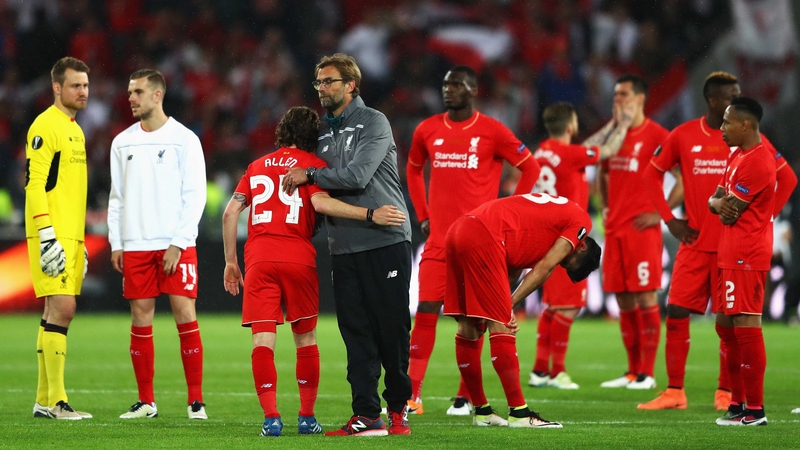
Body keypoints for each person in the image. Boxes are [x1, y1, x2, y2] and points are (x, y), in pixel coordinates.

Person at [221, 106, 407, 437]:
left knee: (263, 339)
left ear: (281, 132)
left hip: (259, 257)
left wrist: (231, 262)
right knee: (305, 338)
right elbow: (321, 205)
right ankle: (307, 417)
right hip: (298, 257)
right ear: (313, 138)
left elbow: (230, 212)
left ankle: (271, 418)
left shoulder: (257, 165)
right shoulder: (313, 167)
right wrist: (368, 214)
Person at [638, 72, 797, 411]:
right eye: (732, 95)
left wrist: (765, 216)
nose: (737, 100)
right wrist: (670, 219)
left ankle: (728, 393)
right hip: (696, 242)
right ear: (714, 101)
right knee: (677, 310)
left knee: (733, 323)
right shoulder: (684, 135)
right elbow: (651, 173)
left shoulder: (751, 141)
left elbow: (787, 179)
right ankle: (675, 391)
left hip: (737, 247)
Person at [281, 53, 414, 437]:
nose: (321, 88)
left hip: (385, 239)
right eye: (318, 83)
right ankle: (367, 414)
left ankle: (398, 409)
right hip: (343, 245)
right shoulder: (320, 131)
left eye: (329, 81)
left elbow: (357, 175)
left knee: (391, 328)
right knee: (355, 333)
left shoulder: (375, 121)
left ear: (351, 85)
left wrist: (310, 174)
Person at [404, 65, 542, 416]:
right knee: (426, 310)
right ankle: (412, 395)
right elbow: (413, 168)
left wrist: (511, 212)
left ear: (474, 90)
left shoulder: (492, 131)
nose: (448, 90)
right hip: (439, 239)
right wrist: (422, 214)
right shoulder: (428, 129)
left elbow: (531, 167)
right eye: (445, 83)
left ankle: (465, 396)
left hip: (479, 242)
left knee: (474, 319)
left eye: (456, 84)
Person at [445, 192, 601, 428]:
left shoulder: (543, 226)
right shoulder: (581, 223)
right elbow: (543, 268)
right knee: (502, 325)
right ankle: (519, 413)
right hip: (485, 235)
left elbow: (513, 265)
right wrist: (508, 305)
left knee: (470, 325)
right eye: (566, 260)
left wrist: (502, 301)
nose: (561, 260)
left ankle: (483, 412)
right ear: (580, 247)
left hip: (460, 229)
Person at [107, 69, 208, 420]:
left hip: (174, 243)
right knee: (140, 318)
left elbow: (195, 195)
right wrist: (117, 241)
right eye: (129, 92)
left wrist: (178, 243)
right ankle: (146, 401)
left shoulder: (185, 139)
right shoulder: (121, 142)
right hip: (135, 244)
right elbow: (116, 198)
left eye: (137, 92)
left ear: (157, 95)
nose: (131, 98)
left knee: (184, 314)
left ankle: (195, 401)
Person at [528, 101, 633, 390]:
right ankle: (557, 370)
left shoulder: (544, 150)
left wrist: (610, 124)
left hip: (548, 233)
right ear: (571, 126)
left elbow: (587, 147)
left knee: (553, 306)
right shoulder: (571, 154)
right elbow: (607, 151)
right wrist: (623, 124)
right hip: (569, 237)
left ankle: (539, 369)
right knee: (568, 307)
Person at [26, 56, 93, 420]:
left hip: (70, 234)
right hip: (50, 232)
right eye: (75, 85)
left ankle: (43, 401)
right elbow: (35, 184)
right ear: (57, 87)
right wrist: (47, 233)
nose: (83, 91)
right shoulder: (45, 126)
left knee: (54, 310)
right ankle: (57, 401)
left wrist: (76, 243)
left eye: (85, 85)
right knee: (64, 309)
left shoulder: (75, 129)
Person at [598, 74, 670, 390]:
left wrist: (661, 213)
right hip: (615, 229)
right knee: (624, 300)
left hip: (643, 230)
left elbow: (684, 175)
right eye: (615, 95)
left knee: (645, 296)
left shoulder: (657, 135)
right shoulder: (613, 136)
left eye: (623, 94)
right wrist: (604, 207)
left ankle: (648, 373)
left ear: (640, 99)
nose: (617, 100)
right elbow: (601, 172)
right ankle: (631, 371)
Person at [709, 97, 776, 426]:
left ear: (745, 125)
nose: (721, 128)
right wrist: (717, 203)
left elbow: (730, 208)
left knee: (746, 326)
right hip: (729, 251)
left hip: (746, 253)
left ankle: (755, 409)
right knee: (725, 326)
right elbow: (717, 200)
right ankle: (737, 404)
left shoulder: (759, 162)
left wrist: (720, 203)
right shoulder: (736, 154)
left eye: (726, 122)